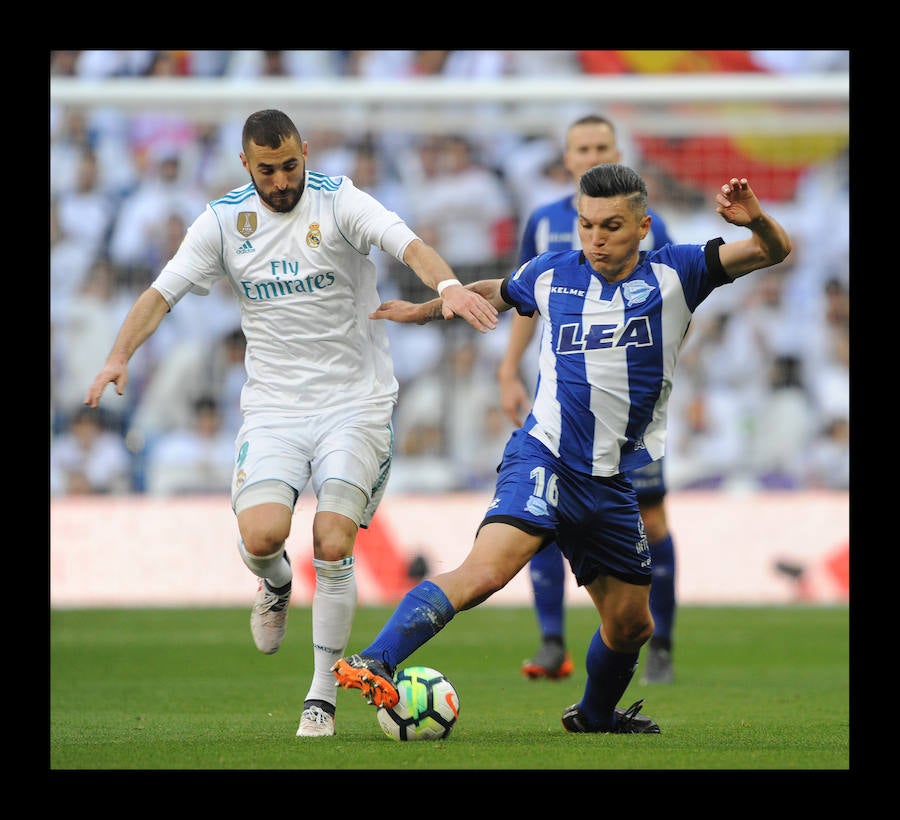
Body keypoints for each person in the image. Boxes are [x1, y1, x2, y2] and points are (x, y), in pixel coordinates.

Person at [332, 164, 792, 734]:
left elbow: (773, 251)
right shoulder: (550, 273)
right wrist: (425, 309)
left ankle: (595, 716)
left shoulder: (682, 271)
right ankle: (374, 659)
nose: (596, 239)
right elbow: (492, 294)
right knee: (486, 571)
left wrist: (758, 221)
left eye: (612, 226)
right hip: (544, 455)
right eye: (586, 225)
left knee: (631, 626)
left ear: (644, 226)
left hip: (610, 479)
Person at [84, 109, 498, 739]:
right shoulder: (224, 220)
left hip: (355, 402)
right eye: (267, 170)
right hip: (274, 406)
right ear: (245, 166)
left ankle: (321, 695)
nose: (281, 181)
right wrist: (118, 356)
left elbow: (405, 242)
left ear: (306, 152)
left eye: (290, 166)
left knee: (333, 540)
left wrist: (448, 285)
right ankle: (275, 585)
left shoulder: (340, 202)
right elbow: (159, 294)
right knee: (261, 536)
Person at [496, 114, 680, 683]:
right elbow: (525, 299)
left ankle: (660, 643)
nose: (592, 154)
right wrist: (508, 369)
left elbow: (673, 298)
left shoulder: (654, 225)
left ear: (617, 151)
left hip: (628, 405)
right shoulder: (546, 224)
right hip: (566, 397)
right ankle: (553, 640)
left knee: (651, 518)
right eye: (583, 147)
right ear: (568, 157)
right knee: (544, 510)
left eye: (602, 145)